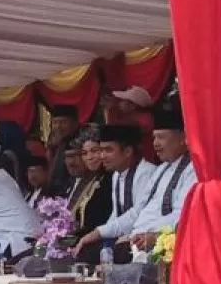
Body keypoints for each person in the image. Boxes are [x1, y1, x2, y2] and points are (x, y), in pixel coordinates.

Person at [72, 124, 157, 259]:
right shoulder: (117, 174)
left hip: (142, 238)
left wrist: (98, 233)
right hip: (123, 238)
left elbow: (137, 214)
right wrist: (100, 233)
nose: (102, 156)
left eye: (108, 150)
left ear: (127, 151)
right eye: (101, 150)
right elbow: (116, 215)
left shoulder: (146, 173)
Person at [68, 128, 113, 250]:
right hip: (84, 241)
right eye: (84, 153)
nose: (89, 157)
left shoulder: (111, 178)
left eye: (94, 151)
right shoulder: (93, 180)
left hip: (103, 243)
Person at [107, 85, 159, 163]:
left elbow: (113, 128)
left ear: (133, 105)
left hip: (145, 162)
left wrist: (109, 109)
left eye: (122, 100)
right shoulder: (128, 116)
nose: (119, 103)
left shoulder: (146, 118)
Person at [46, 105, 82, 197]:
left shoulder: (80, 145)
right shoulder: (57, 146)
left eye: (63, 122)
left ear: (75, 124)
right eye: (55, 122)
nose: (58, 127)